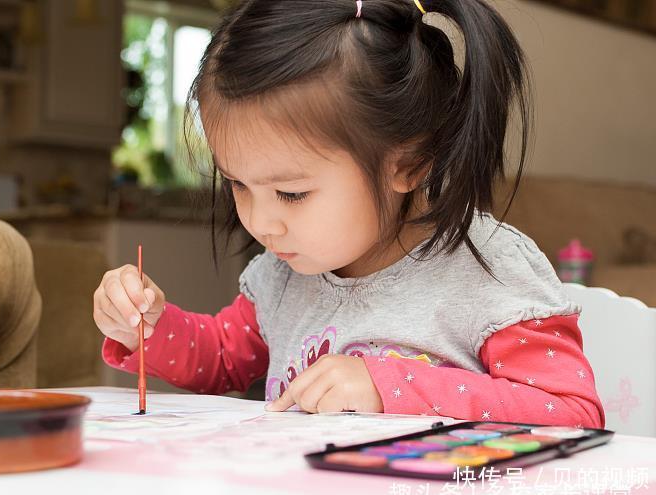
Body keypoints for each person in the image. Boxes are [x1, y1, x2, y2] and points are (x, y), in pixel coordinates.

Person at [93, 0, 604, 427]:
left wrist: (390, 386)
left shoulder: (487, 272)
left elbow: (572, 412)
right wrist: (147, 326)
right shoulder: (283, 276)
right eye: (238, 185)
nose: (261, 222)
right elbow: (220, 359)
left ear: (407, 164)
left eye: (291, 194)